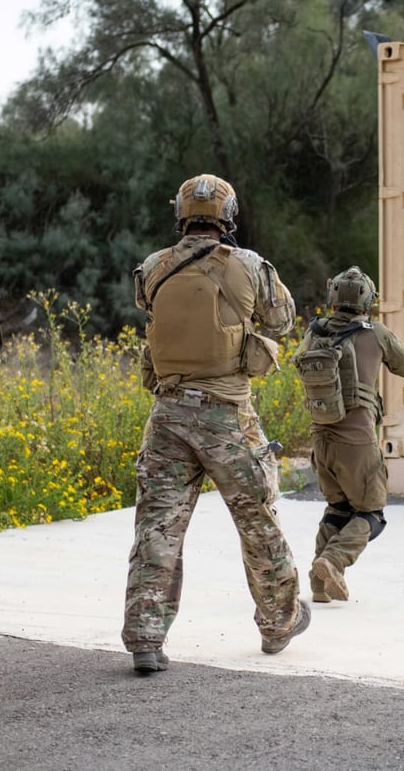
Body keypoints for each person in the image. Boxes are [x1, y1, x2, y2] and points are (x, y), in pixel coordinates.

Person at [123, 173, 308, 672]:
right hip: (227, 416)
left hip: (166, 415)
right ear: (228, 216)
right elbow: (282, 320)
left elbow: (149, 307)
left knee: (157, 526)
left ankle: (145, 635)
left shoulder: (152, 267)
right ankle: (278, 623)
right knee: (257, 522)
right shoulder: (248, 265)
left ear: (181, 215)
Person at [293, 267, 404, 603]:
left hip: (322, 440)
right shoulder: (374, 332)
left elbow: (298, 363)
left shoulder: (314, 332)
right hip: (358, 442)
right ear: (368, 300)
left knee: (337, 508)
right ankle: (333, 561)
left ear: (333, 298)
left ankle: (318, 586)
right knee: (371, 514)